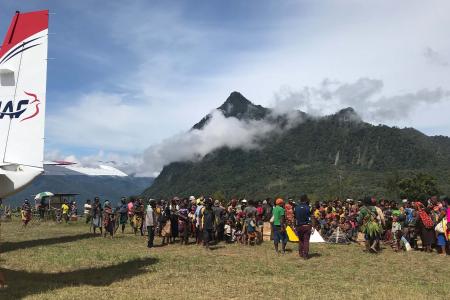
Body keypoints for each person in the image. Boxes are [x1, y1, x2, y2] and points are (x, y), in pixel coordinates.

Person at [295, 194, 312, 259]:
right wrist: (312, 226)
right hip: (307, 226)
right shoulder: (308, 207)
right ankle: (305, 255)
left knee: (300, 240)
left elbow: (295, 218)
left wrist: (295, 226)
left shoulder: (296, 207)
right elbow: (311, 217)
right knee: (306, 240)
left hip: (299, 226)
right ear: (306, 200)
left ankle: (301, 253)